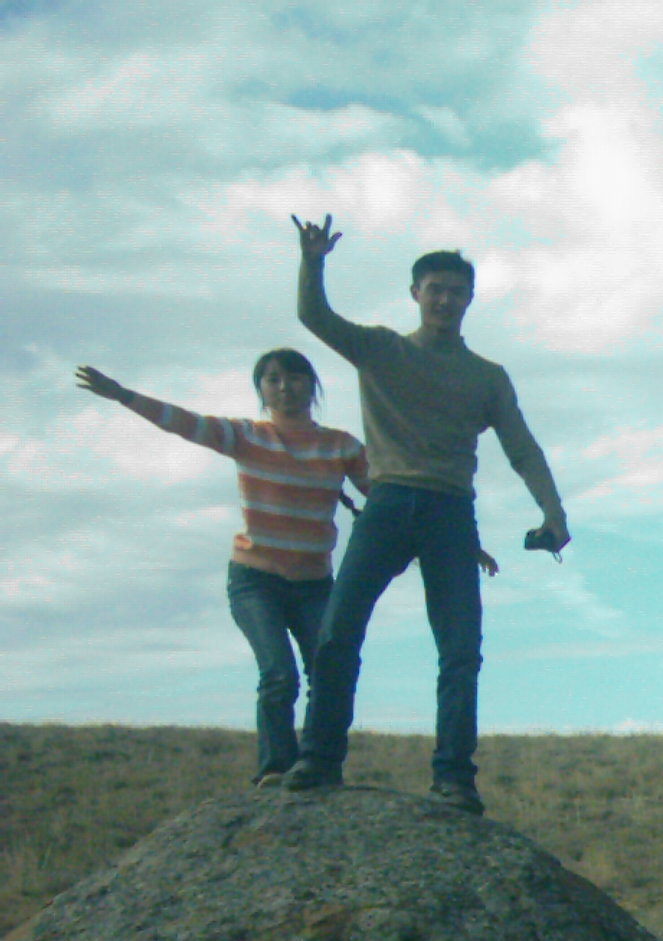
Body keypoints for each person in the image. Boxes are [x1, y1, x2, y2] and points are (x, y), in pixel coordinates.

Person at [281, 214, 571, 816]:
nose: (445, 300)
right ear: (416, 293)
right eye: (435, 289)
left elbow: (522, 448)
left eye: (457, 291)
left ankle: (454, 778)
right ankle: (318, 758)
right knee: (337, 631)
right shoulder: (380, 349)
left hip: (449, 511)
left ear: (470, 299)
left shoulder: (486, 377)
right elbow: (315, 317)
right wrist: (313, 262)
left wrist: (553, 512)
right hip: (386, 501)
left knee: (460, 648)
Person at [74, 353, 367, 784]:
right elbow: (184, 422)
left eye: (295, 377)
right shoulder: (245, 435)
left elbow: (387, 491)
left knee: (329, 673)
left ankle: (319, 764)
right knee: (279, 674)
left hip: (315, 585)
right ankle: (276, 768)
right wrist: (124, 396)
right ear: (261, 389)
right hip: (255, 581)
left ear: (313, 385)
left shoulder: (341, 446)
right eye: (273, 379)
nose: (285, 387)